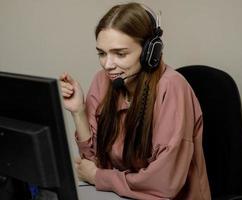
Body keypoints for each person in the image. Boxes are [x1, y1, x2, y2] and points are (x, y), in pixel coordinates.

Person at [60, 2, 211, 200]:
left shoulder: (172, 88)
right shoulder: (103, 81)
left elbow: (164, 184)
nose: (108, 64)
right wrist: (78, 111)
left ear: (151, 52)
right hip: (125, 196)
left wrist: (100, 177)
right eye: (102, 53)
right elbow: (93, 164)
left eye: (120, 54)